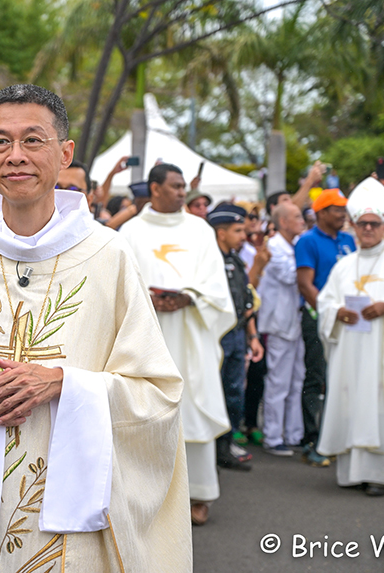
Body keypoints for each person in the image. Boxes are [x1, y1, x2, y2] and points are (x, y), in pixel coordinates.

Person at [0, 84, 190, 571]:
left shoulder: (109, 257)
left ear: (64, 153)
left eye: (33, 140)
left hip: (68, 525)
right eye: (1, 142)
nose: (15, 156)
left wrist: (63, 383)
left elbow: (157, 392)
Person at [120, 162, 234, 526]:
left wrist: (190, 297)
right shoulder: (130, 231)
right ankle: (147, 497)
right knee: (148, 409)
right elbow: (119, 281)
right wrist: (147, 299)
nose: (184, 192)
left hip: (189, 331)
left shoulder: (200, 230)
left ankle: (199, 493)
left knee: (193, 405)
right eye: (176, 186)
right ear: (155, 189)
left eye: (185, 186)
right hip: (146, 333)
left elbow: (216, 283)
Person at [316, 177, 384, 496]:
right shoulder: (344, 265)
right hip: (352, 349)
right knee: (353, 402)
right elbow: (325, 301)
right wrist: (337, 312)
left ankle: (383, 475)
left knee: (383, 402)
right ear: (352, 225)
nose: (367, 229)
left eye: (374, 223)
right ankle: (354, 473)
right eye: (362, 224)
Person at [295, 187, 356, 467]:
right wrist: (330, 312)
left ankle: (339, 437)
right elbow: (306, 285)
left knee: (344, 377)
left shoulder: (348, 240)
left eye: (344, 209)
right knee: (316, 376)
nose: (343, 214)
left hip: (349, 320)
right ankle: (312, 440)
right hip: (318, 318)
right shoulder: (307, 241)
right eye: (337, 209)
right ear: (320, 213)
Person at [207, 203, 263, 470]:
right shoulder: (210, 262)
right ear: (221, 233)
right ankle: (215, 449)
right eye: (238, 230)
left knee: (233, 392)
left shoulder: (234, 260)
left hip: (238, 335)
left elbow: (246, 300)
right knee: (215, 391)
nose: (244, 236)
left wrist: (253, 337)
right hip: (218, 337)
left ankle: (227, 445)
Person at [258, 202, 307, 456]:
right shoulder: (275, 246)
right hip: (279, 324)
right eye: (297, 216)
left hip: (294, 321)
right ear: (284, 222)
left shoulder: (295, 245)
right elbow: (293, 276)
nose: (302, 220)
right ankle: (273, 435)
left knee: (297, 379)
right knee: (279, 381)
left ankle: (293, 432)